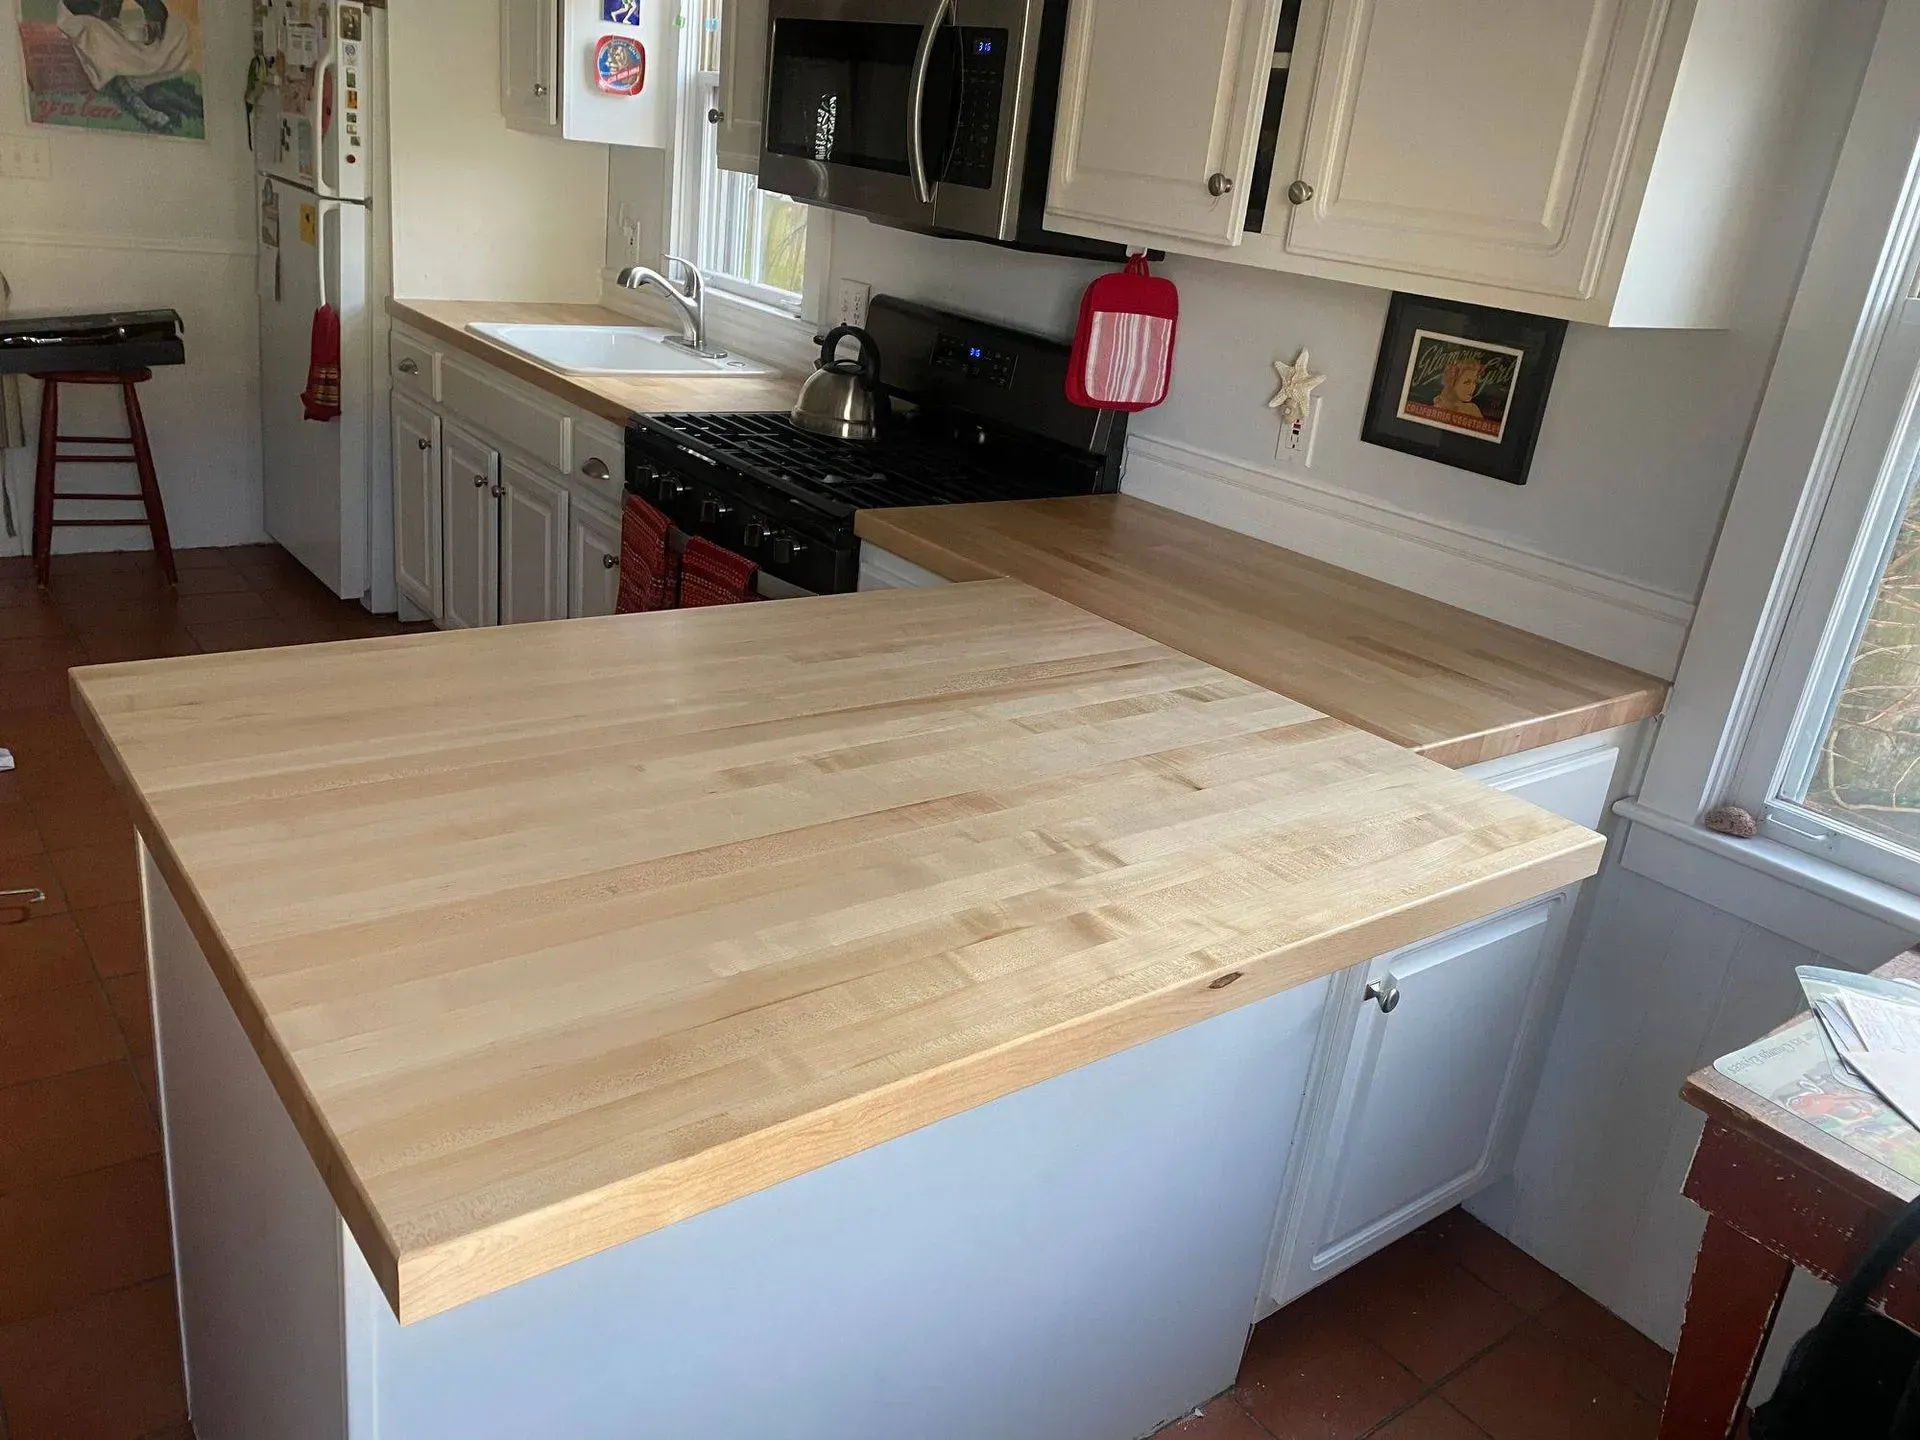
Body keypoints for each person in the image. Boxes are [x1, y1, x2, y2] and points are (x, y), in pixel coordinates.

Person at [56, 0, 198, 134]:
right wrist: (101, 10)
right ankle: (128, 95)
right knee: (98, 33)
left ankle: (149, 88)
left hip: (108, 23)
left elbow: (152, 5)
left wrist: (154, 20)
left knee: (176, 26)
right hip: (79, 20)